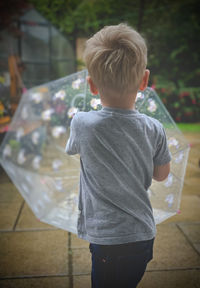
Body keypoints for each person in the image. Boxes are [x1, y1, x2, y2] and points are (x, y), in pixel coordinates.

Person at [66, 23, 171, 288]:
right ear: (144, 80)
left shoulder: (81, 123)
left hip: (107, 240)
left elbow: (72, 149)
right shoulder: (154, 128)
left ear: (91, 85)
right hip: (143, 236)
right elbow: (161, 175)